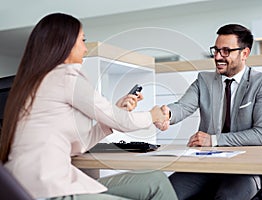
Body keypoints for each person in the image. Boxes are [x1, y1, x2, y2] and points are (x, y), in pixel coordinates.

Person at [0, 13, 178, 200]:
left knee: (155, 181)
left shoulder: (38, 82)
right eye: (82, 40)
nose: (85, 48)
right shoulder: (65, 76)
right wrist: (153, 115)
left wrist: (115, 115)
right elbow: (124, 123)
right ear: (65, 43)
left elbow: (79, 146)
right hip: (47, 190)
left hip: (42, 184)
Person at [155, 24, 262, 200]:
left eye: (226, 51)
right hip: (206, 165)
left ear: (244, 53)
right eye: (216, 50)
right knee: (165, 194)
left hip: (246, 169)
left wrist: (213, 139)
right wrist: (167, 114)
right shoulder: (204, 80)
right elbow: (182, 107)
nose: (218, 56)